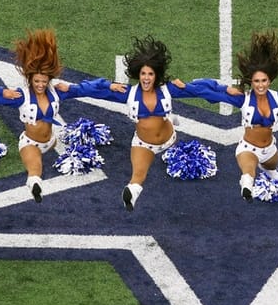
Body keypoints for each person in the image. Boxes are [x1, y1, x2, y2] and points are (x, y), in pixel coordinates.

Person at [0, 28, 106, 203]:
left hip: (51, 141)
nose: (40, 85)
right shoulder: (21, 96)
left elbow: (85, 89)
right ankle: (35, 185)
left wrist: (108, 86)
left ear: (49, 79)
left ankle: (36, 180)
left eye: (44, 81)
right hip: (30, 143)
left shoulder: (56, 92)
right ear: (30, 79)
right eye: (36, 81)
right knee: (35, 169)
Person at [62, 35, 204, 211]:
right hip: (143, 144)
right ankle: (130, 195)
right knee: (138, 176)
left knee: (164, 119)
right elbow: (94, 92)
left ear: (156, 75)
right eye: (143, 73)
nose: (146, 78)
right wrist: (71, 89)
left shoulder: (168, 90)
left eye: (150, 74)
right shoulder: (128, 93)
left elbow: (200, 90)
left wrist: (225, 92)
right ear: (138, 74)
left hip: (170, 140)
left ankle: (170, 118)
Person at [181, 31, 278, 202]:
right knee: (248, 173)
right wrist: (186, 86)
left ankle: (269, 172)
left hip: (270, 148)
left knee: (272, 168)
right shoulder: (243, 99)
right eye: (256, 81)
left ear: (270, 81)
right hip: (248, 149)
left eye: (264, 80)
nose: (260, 85)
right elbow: (206, 92)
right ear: (251, 81)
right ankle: (246, 187)